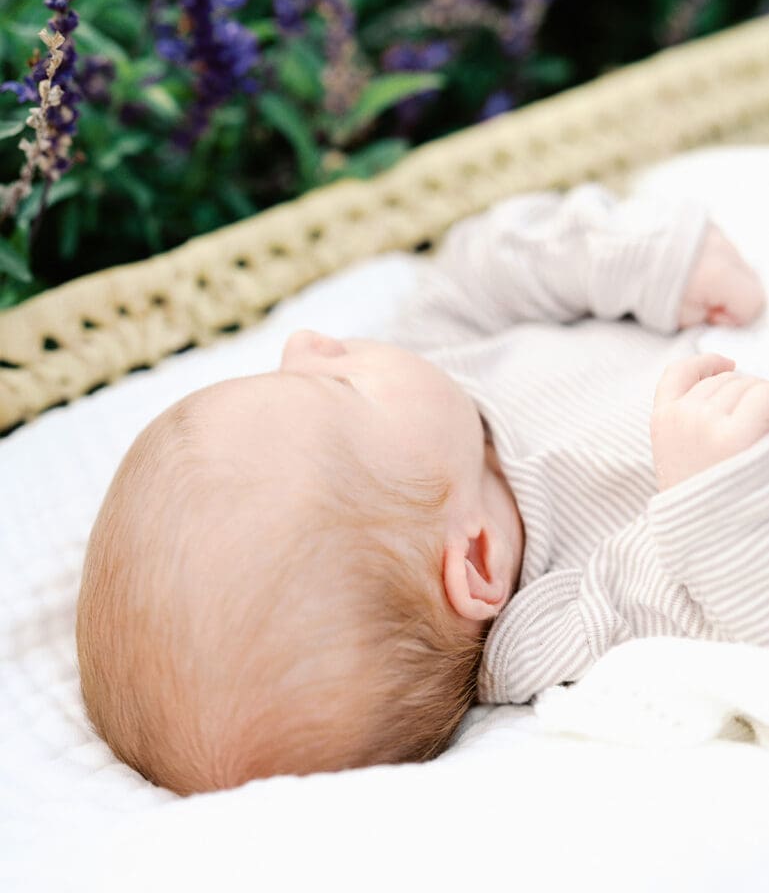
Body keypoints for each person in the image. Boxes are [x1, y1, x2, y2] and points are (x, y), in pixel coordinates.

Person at [76, 182, 768, 795]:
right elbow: (725, 618)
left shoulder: (439, 353)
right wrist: (712, 494)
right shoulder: (555, 625)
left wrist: (651, 263)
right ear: (472, 561)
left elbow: (487, 263)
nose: (308, 343)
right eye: (335, 386)